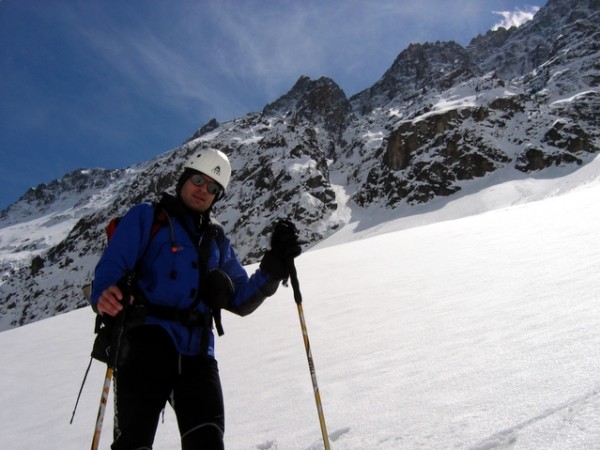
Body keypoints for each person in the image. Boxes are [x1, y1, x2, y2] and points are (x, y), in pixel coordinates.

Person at [90, 148, 301, 450]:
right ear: (185, 178)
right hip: (145, 346)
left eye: (213, 188)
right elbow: (112, 264)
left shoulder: (217, 240)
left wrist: (274, 266)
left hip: (198, 354)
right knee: (132, 444)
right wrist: (105, 292)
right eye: (199, 181)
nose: (204, 190)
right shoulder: (148, 217)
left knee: (208, 442)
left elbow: (240, 299)